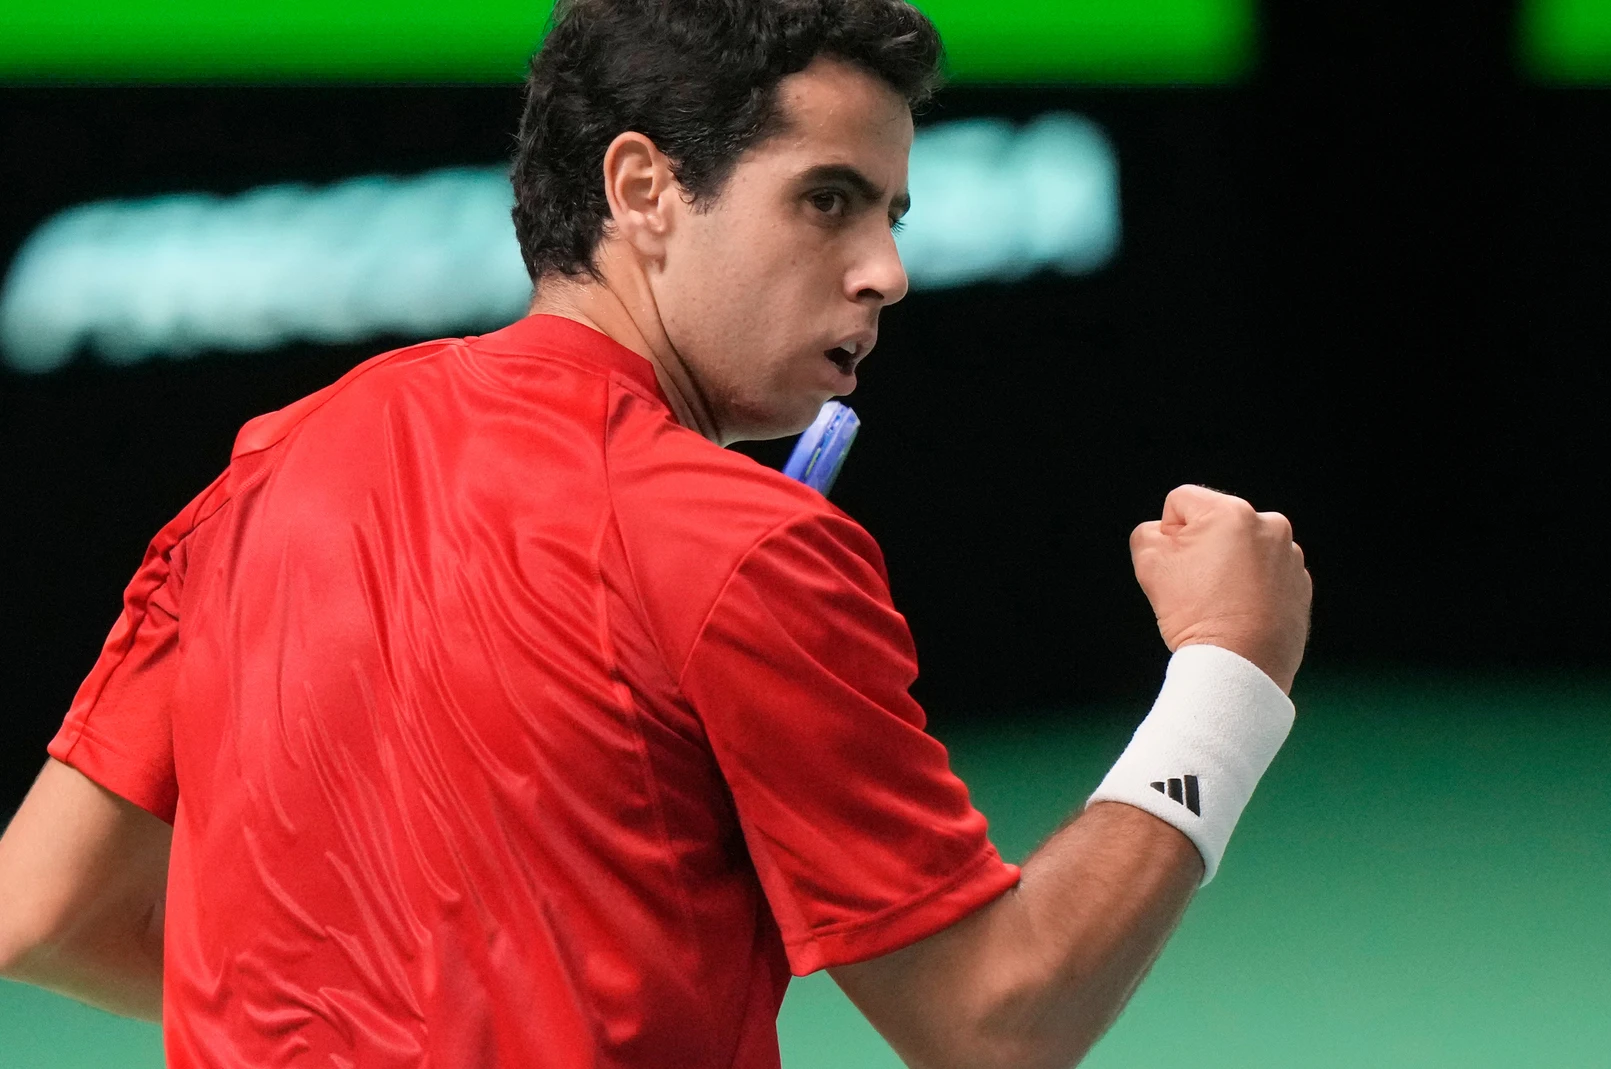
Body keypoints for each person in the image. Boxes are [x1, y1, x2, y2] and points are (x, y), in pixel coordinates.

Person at [0, 0, 1312, 1066]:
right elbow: (998, 1019)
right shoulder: (739, 547)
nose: (886, 271)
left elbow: (40, 909)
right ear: (645, 187)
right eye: (828, 200)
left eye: (892, 217)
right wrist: (1226, 676)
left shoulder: (265, 468)